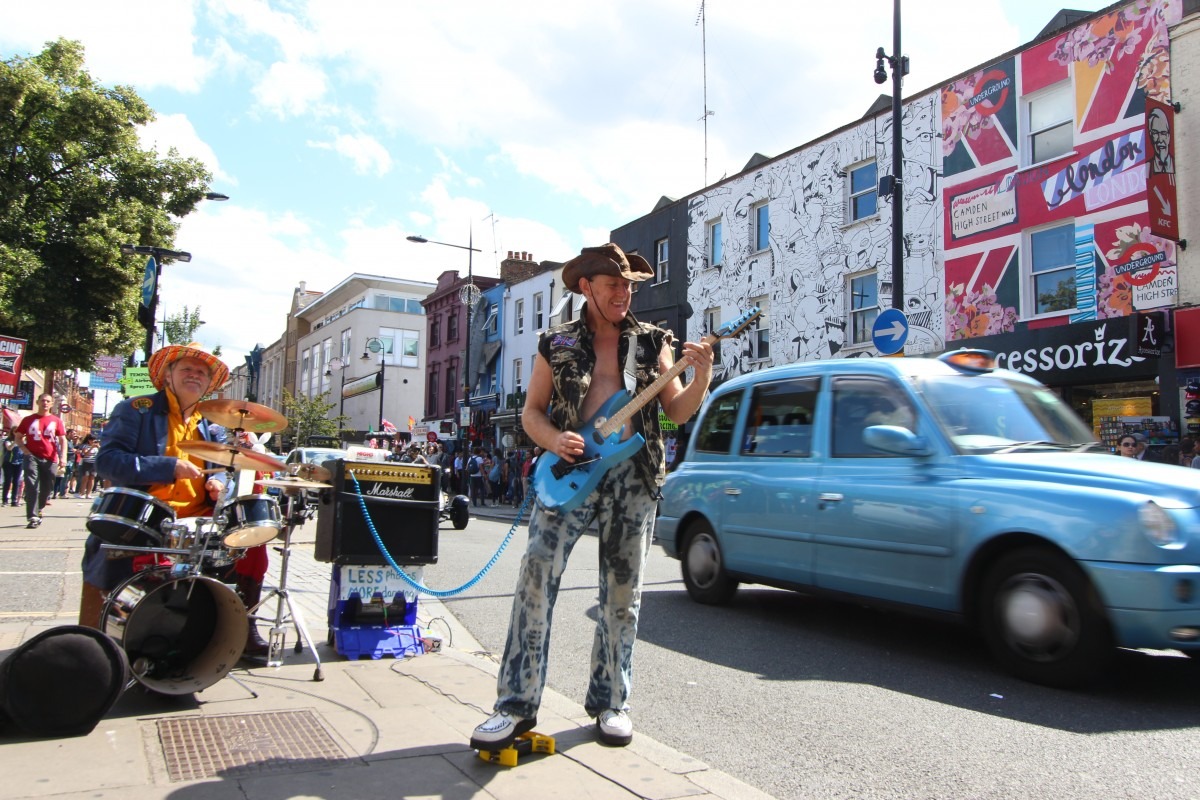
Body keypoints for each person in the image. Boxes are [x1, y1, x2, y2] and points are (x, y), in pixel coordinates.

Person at [471, 243, 713, 751]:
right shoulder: (555, 342)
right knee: (536, 578)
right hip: (568, 472)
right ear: (587, 288)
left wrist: (703, 374)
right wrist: (553, 439)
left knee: (622, 598)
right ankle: (514, 707)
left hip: (634, 477)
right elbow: (532, 412)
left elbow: (680, 412)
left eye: (628, 287)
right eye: (614, 286)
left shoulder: (653, 343)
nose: (624, 294)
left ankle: (611, 702)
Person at [76, 344, 260, 654]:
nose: (195, 375)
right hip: (146, 520)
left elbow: (223, 472)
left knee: (250, 546)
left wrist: (217, 482)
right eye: (186, 369)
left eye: (202, 372)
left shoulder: (207, 426)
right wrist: (167, 467)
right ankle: (100, 653)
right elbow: (107, 462)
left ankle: (215, 640)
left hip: (194, 528)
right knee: (109, 564)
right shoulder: (136, 409)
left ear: (209, 384)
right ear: (167, 376)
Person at [14, 393, 68, 528]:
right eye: (42, 400)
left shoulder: (56, 420)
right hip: (32, 456)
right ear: (37, 402)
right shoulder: (28, 419)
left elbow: (63, 440)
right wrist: (24, 450)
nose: (45, 403)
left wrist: (63, 458)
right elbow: (18, 436)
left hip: (50, 458)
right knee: (32, 484)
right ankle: (33, 517)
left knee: (47, 487)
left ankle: (39, 507)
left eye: (48, 401)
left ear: (51, 404)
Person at [2, 430, 24, 507]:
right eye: (16, 431)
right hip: (9, 463)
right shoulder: (8, 440)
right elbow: (9, 448)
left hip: (19, 463)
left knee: (16, 482)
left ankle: (14, 500)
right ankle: (5, 500)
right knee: (8, 481)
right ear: (12, 432)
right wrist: (15, 441)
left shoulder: (22, 441)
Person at [75, 433, 99, 498]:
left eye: (94, 439)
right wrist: (91, 448)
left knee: (92, 478)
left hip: (94, 464)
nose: (92, 441)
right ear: (88, 440)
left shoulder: (97, 446)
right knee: (85, 478)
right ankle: (82, 493)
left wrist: (98, 447)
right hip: (86, 463)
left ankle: (88, 494)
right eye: (91, 439)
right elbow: (84, 455)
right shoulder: (85, 446)